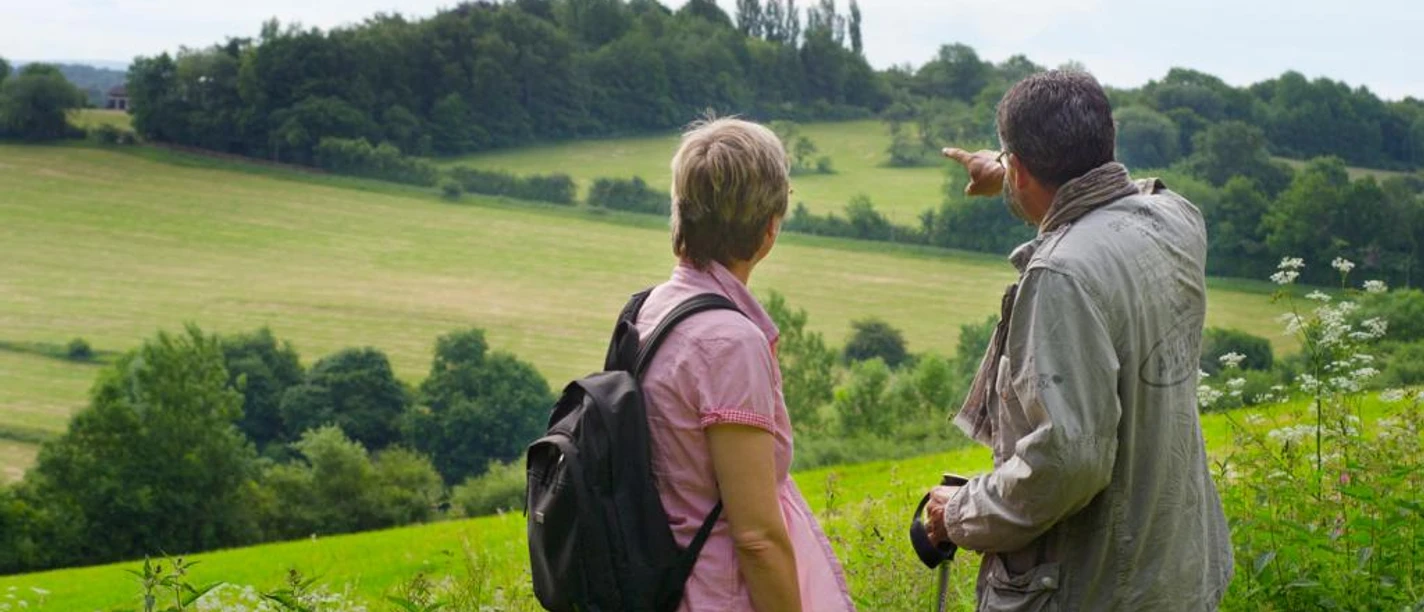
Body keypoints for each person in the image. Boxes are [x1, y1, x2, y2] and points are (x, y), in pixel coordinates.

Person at [924, 70, 1234, 610]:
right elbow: (1113, 195)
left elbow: (1068, 464)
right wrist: (1008, 168)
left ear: (1020, 170)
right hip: (1179, 575)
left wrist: (959, 513)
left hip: (1097, 589)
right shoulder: (1176, 219)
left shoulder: (1060, 276)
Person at [636, 117, 855, 611]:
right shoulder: (729, 343)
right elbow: (756, 537)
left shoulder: (649, 309)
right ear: (768, 228)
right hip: (717, 595)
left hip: (660, 584)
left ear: (680, 211)